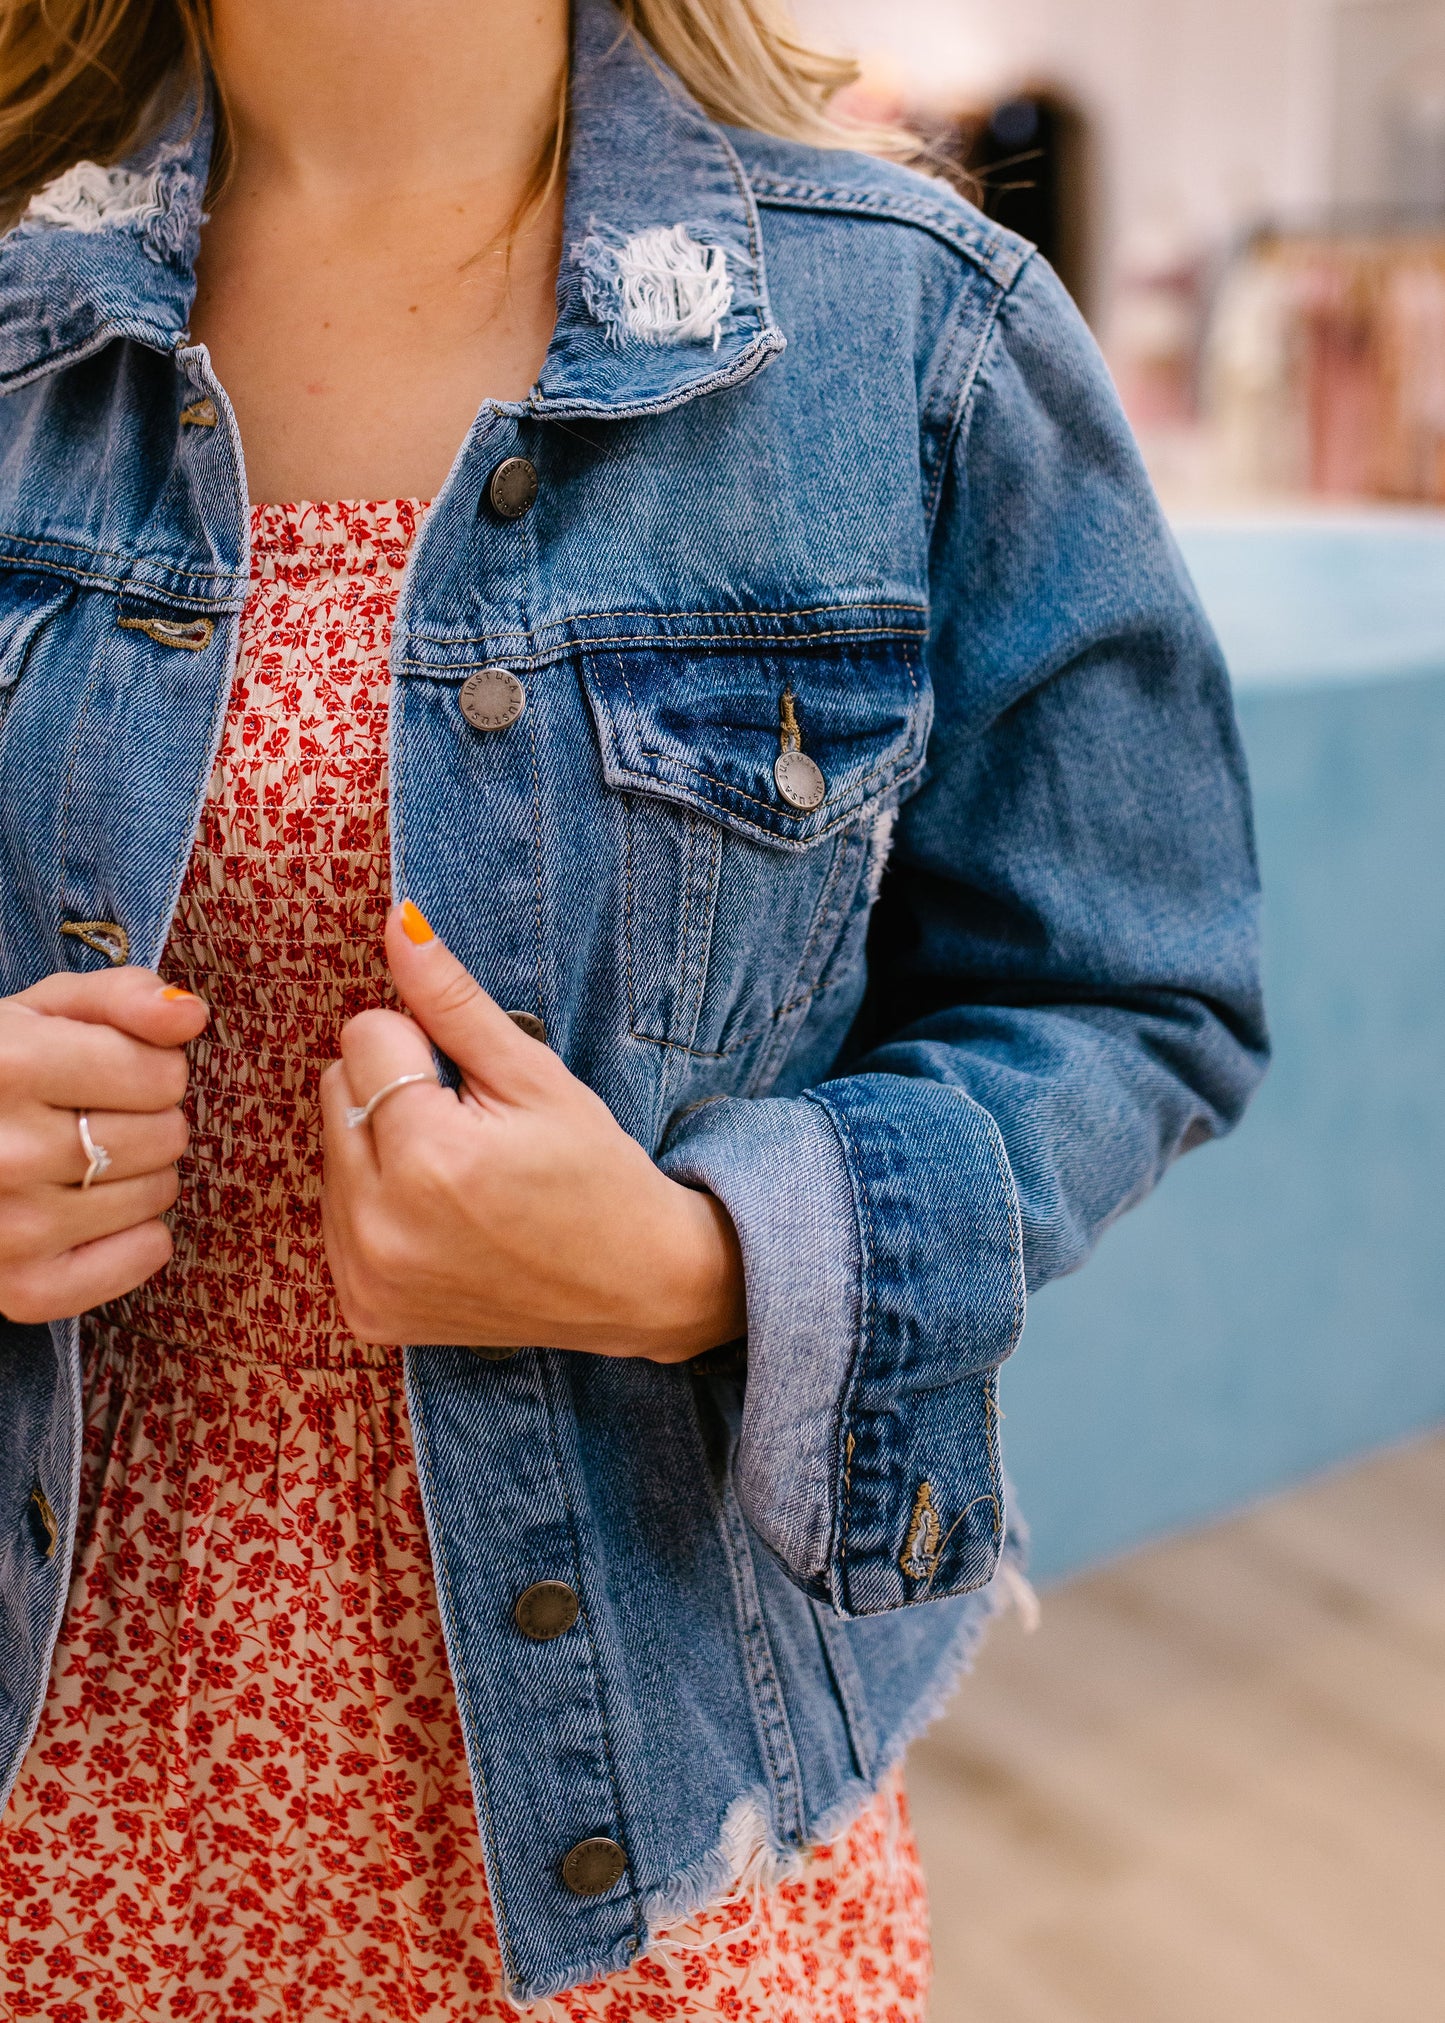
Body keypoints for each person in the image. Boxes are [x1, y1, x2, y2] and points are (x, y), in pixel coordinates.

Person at [0, 0, 1268, 2015]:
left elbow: (1133, 991)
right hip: (56, 1873)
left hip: (658, 1888)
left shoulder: (910, 339)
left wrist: (712, 1258)